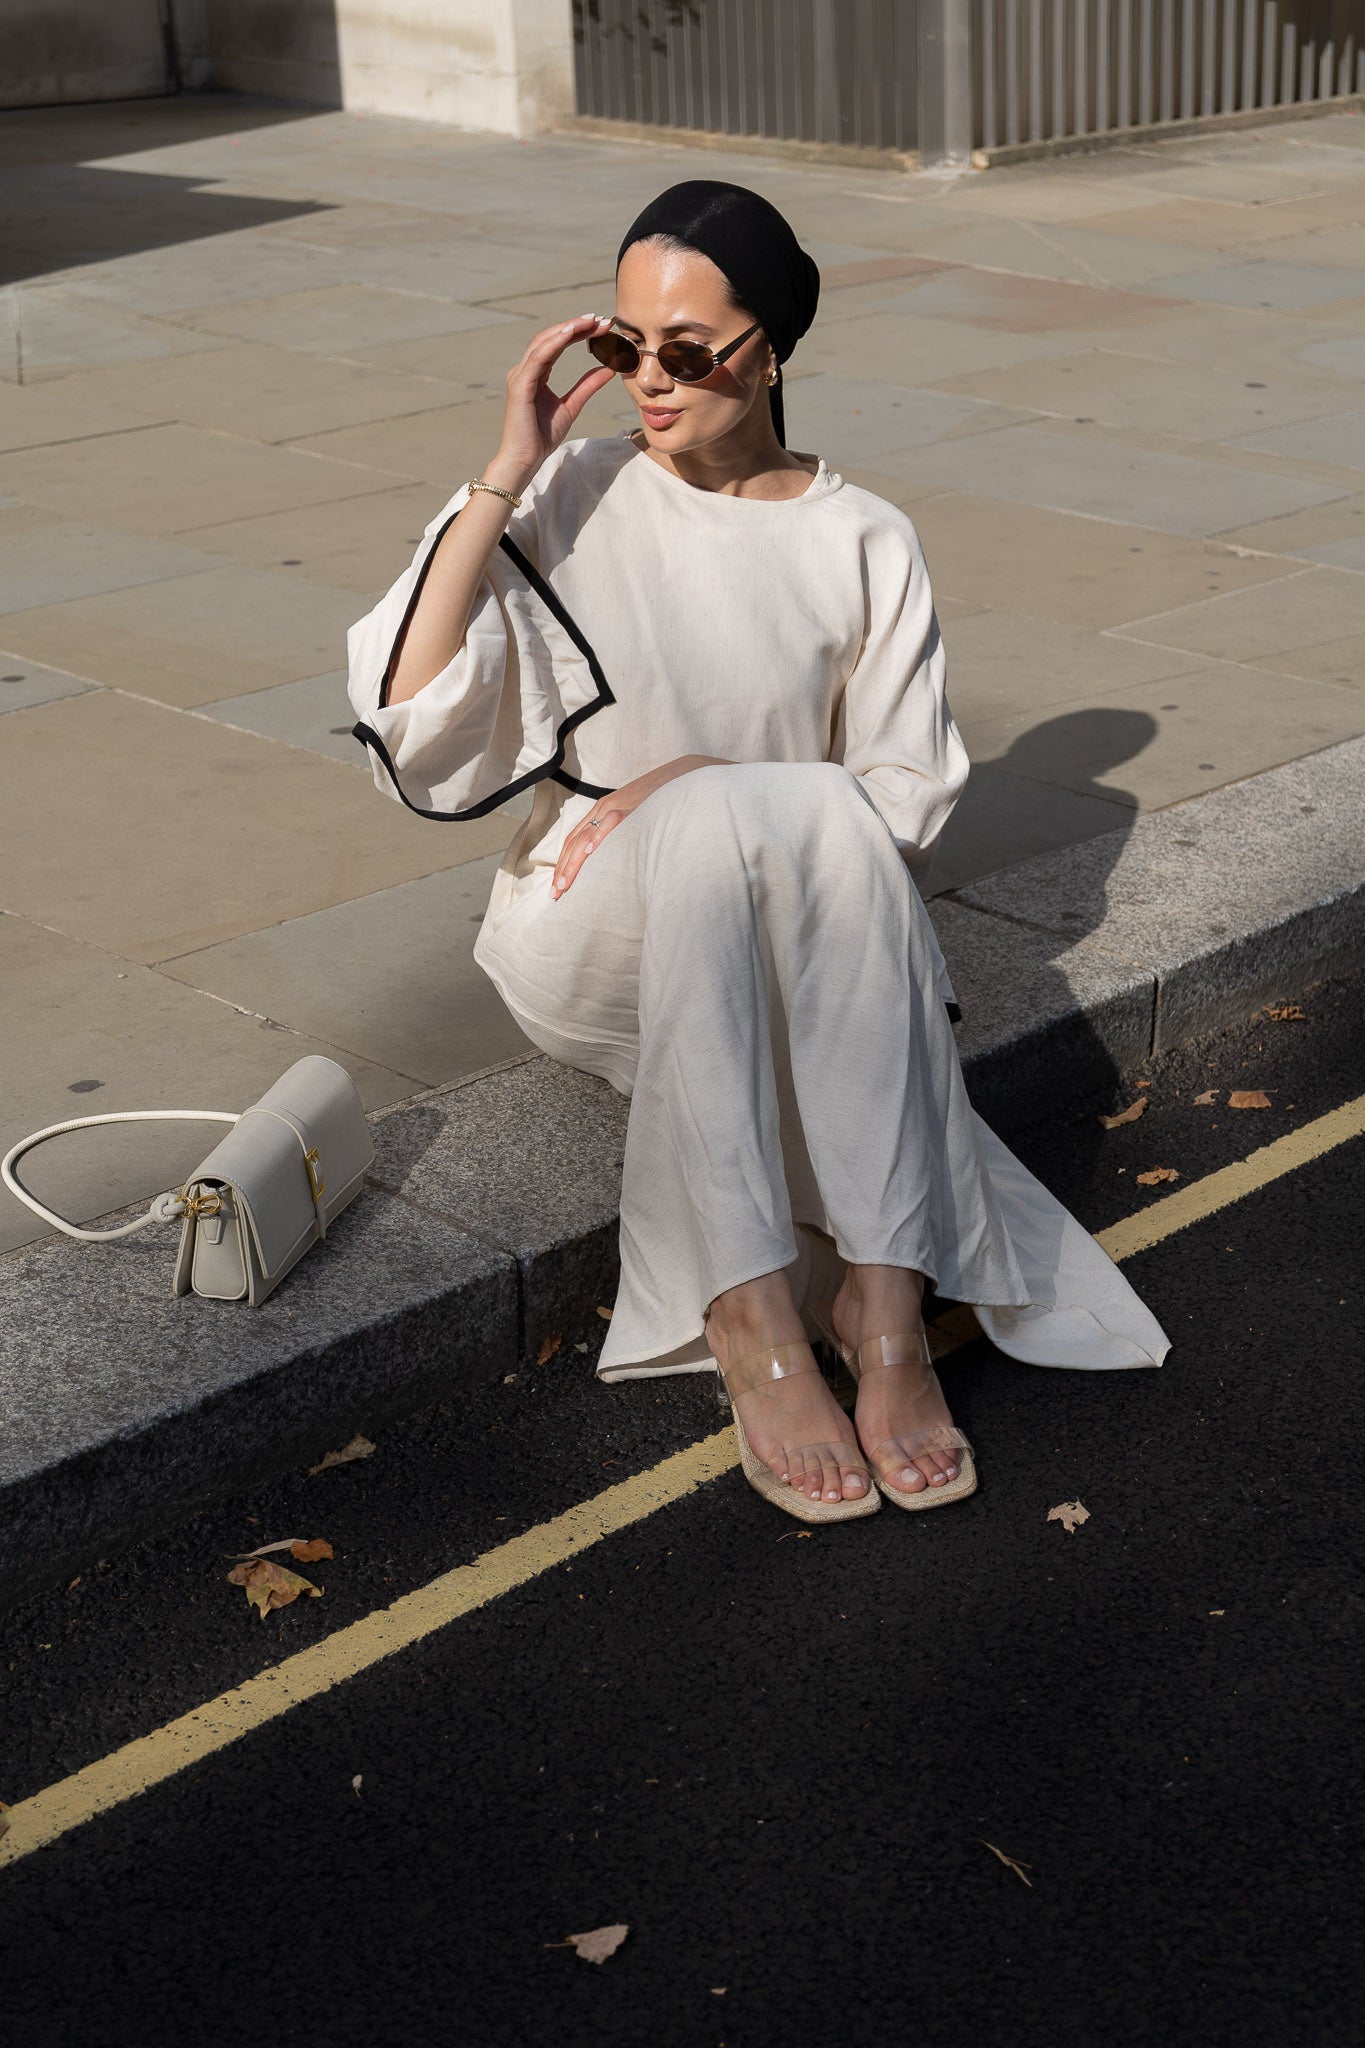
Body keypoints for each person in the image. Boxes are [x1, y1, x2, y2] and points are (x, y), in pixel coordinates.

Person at [347, 179, 1170, 1526]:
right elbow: (408, 707)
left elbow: (897, 801)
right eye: (619, 347)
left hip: (792, 917)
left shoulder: (863, 538)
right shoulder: (575, 489)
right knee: (766, 814)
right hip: (592, 916)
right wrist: (505, 466)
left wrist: (692, 775)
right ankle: (745, 1314)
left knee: (795, 813)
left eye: (685, 351)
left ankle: (881, 1306)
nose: (645, 383)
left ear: (770, 349)